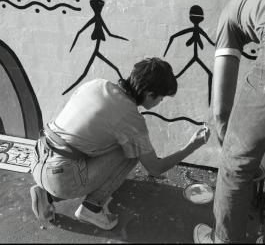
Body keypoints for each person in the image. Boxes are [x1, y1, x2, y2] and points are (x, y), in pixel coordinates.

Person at [30, 57, 210, 230]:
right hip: (62, 176)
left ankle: (46, 195)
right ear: (149, 94)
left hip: (39, 157)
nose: (160, 102)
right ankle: (92, 208)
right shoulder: (130, 117)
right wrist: (192, 146)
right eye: (161, 98)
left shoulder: (97, 83)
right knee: (132, 152)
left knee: (124, 144)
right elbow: (155, 168)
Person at [193, 0, 265, 243]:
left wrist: (227, 138)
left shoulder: (232, 9)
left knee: (235, 167)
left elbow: (220, 107)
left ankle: (223, 240)